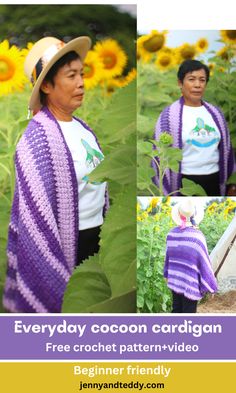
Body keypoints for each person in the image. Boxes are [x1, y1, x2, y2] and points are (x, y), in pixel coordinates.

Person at [3, 36, 109, 313]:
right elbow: (36, 221)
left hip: (99, 237)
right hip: (68, 245)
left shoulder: (83, 127)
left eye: (81, 74)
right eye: (71, 76)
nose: (81, 83)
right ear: (47, 85)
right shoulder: (36, 139)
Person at [152, 59, 235, 196]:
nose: (197, 85)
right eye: (191, 79)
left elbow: (226, 150)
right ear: (180, 83)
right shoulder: (169, 116)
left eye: (202, 80)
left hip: (214, 180)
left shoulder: (215, 113)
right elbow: (160, 156)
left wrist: (231, 184)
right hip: (183, 183)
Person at [163, 199, 218, 313]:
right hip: (190, 283)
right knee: (188, 314)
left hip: (175, 279)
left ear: (178, 214)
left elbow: (168, 258)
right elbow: (205, 264)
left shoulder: (171, 234)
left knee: (176, 309)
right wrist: (211, 285)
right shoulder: (197, 238)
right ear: (194, 215)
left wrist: (167, 274)